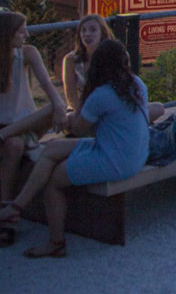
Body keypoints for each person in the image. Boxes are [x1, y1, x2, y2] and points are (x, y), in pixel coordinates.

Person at [0, 39, 149, 259]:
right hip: (134, 153)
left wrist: (67, 115)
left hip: (115, 160)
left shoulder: (102, 94)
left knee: (53, 183)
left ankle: (56, 243)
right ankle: (16, 207)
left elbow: (79, 129)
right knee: (53, 148)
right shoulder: (137, 84)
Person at [0, 12, 70, 247]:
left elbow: (49, 87)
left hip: (24, 122)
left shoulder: (28, 53)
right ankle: (8, 215)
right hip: (7, 127)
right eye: (22, 31)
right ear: (7, 35)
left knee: (52, 107)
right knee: (14, 146)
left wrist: (59, 107)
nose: (27, 35)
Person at [61, 14, 163, 121]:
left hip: (112, 108)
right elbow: (71, 98)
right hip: (83, 111)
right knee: (69, 119)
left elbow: (126, 89)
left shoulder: (117, 56)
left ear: (102, 33)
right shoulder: (71, 60)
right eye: (83, 30)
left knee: (158, 108)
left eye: (93, 30)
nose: (87, 34)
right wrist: (87, 115)